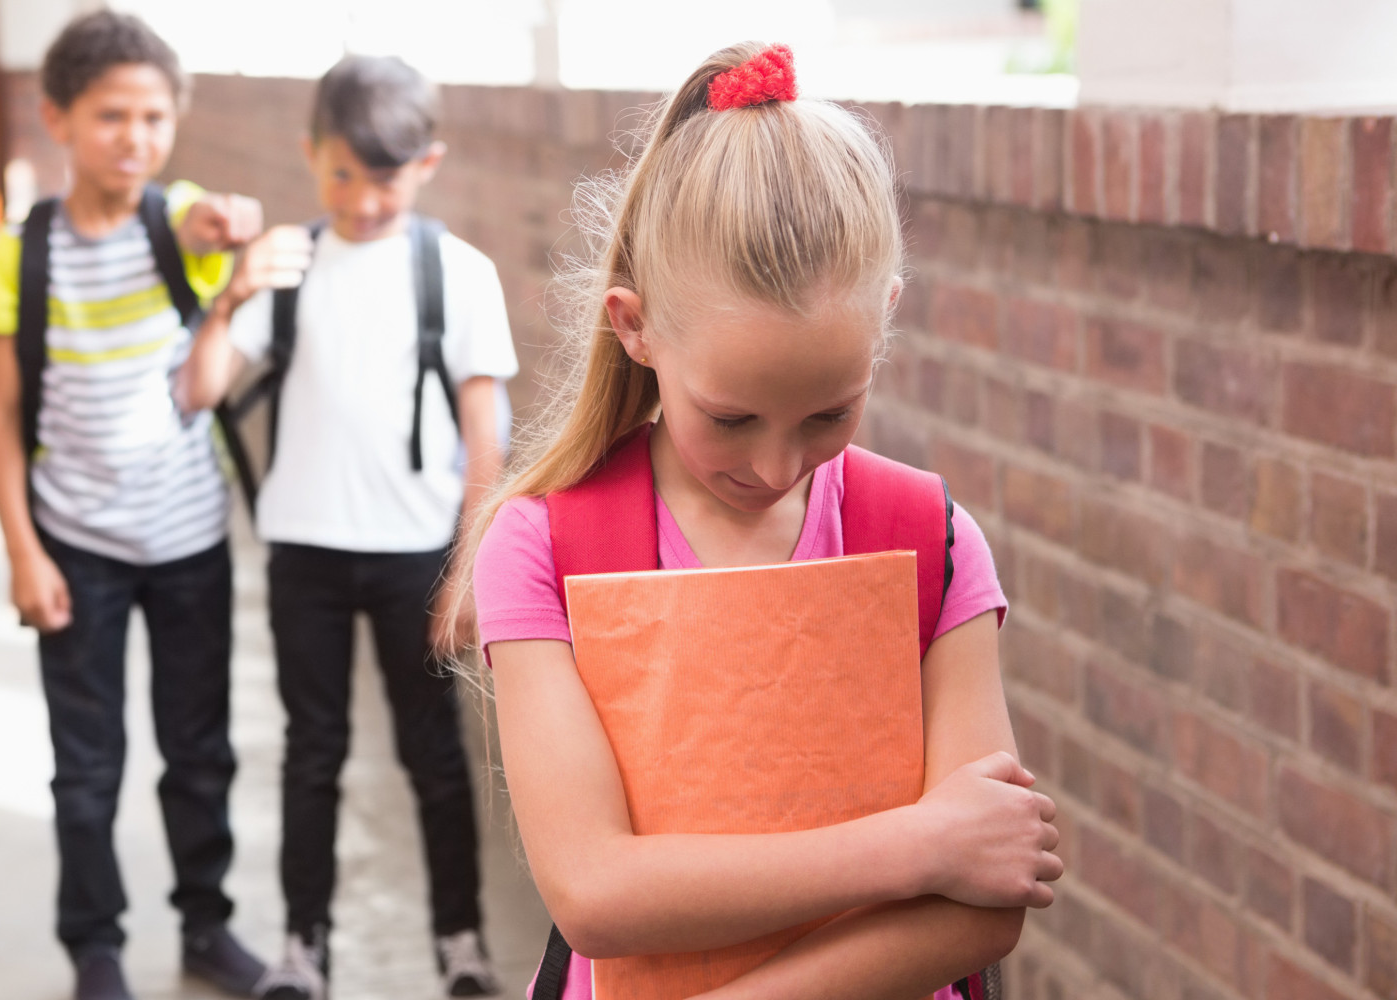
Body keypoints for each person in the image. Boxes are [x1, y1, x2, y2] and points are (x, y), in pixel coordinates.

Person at [457, 43, 1065, 1000]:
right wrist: (920, 843)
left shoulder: (928, 536)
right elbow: (594, 893)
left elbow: (988, 900)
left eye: (831, 413)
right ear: (634, 324)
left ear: (887, 316)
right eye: (730, 419)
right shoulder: (542, 544)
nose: (778, 468)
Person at [178, 54, 515, 1000]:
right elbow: (198, 390)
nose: (362, 199)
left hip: (414, 554)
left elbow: (485, 437)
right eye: (340, 175)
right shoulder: (286, 265)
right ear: (309, 155)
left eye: (386, 177)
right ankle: (304, 947)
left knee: (432, 753)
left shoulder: (456, 272)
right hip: (306, 554)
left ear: (428, 164)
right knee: (312, 751)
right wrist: (233, 295)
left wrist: (467, 571)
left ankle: (460, 941)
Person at [0, 11, 265, 1000]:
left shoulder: (177, 223)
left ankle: (206, 926)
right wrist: (22, 551)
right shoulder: (23, 252)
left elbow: (198, 218)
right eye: (109, 117)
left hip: (187, 541)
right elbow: (1, 418)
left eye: (152, 116)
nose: (133, 137)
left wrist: (222, 224)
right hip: (75, 545)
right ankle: (94, 948)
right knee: (84, 766)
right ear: (55, 116)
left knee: (199, 749)